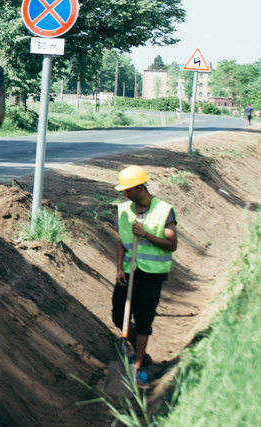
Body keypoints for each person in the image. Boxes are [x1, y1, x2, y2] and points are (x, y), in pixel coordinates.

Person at [111, 165, 178, 389]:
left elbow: (172, 245)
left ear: (140, 188)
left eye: (128, 190)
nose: (124, 194)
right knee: (118, 315)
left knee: (143, 321)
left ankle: (138, 366)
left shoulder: (164, 210)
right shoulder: (123, 210)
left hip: (152, 275)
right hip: (129, 272)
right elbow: (122, 240)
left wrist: (146, 234)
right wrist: (119, 267)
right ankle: (141, 354)